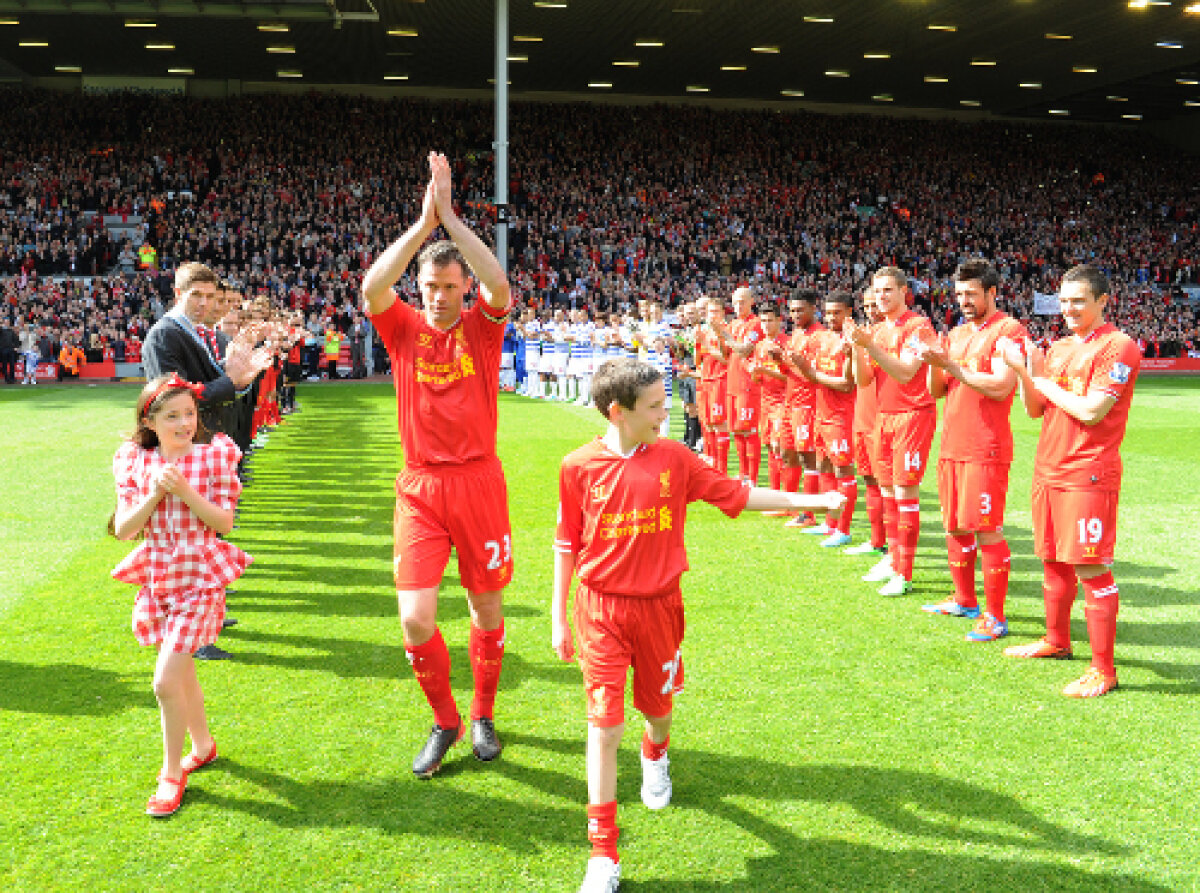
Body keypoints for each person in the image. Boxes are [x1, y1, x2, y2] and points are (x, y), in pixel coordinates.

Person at [551, 357, 845, 893]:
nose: (669, 412)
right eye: (657, 406)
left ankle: (656, 751)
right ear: (618, 413)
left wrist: (813, 498)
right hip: (600, 610)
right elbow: (567, 542)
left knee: (657, 710)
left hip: (660, 607)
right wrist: (557, 616)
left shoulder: (675, 458)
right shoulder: (577, 467)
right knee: (604, 724)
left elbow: (735, 493)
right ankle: (602, 854)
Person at [361, 151, 514, 777]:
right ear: (419, 289)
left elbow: (500, 286)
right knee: (416, 616)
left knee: (485, 608)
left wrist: (452, 217)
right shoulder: (400, 330)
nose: (444, 297)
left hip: (479, 480)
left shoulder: (482, 327)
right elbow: (372, 286)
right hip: (422, 487)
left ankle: (481, 714)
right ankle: (444, 717)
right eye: (432, 287)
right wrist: (424, 228)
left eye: (453, 287)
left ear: (463, 289)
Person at [109, 374, 251, 816]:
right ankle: (203, 746)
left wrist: (185, 492)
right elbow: (125, 529)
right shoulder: (134, 461)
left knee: (165, 680)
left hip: (199, 579)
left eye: (189, 413)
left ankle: (172, 774)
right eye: (172, 416)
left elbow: (224, 523)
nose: (185, 423)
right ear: (150, 421)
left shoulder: (213, 457)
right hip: (158, 577)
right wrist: (154, 493)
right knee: (182, 668)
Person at [999, 264, 1141, 697]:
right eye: (1063, 301)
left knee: (1091, 566)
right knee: (1053, 560)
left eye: (1079, 300)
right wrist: (1025, 372)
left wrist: (1038, 376)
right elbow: (1034, 409)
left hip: (1088, 471)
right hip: (1049, 469)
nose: (1069, 309)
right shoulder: (1058, 348)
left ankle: (1104, 670)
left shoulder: (1119, 346)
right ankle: (1056, 641)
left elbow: (1092, 410)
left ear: (1102, 301)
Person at [142, 264, 269, 659]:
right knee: (186, 546)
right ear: (178, 293)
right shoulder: (165, 334)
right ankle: (194, 638)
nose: (206, 303)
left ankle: (204, 623)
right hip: (181, 451)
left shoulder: (186, 332)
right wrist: (232, 383)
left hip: (197, 447)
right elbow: (175, 397)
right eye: (197, 295)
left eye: (211, 297)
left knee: (200, 543)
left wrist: (237, 377)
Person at [917, 260, 1027, 642]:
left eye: (971, 293)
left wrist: (948, 362)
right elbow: (936, 390)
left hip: (985, 445)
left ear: (992, 293)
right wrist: (933, 361)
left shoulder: (1008, 331)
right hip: (953, 444)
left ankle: (996, 616)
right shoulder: (957, 333)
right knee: (955, 524)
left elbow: (1000, 385)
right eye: (959, 293)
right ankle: (965, 600)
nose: (963, 300)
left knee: (986, 529)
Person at [845, 267, 938, 597]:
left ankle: (905, 572)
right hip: (882, 417)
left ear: (903, 292)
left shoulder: (918, 326)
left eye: (888, 290)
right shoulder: (879, 330)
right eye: (877, 291)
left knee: (904, 494)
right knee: (887, 495)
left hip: (912, 416)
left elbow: (903, 372)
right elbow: (863, 380)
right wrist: (858, 347)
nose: (882, 297)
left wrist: (869, 345)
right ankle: (894, 560)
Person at [791, 291, 859, 547]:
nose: (831, 318)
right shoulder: (824, 339)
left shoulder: (851, 341)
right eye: (828, 313)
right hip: (822, 413)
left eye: (837, 313)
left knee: (844, 471)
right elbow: (813, 375)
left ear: (849, 312)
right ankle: (830, 524)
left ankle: (844, 529)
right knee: (825, 468)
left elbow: (846, 385)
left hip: (842, 416)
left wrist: (811, 372)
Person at [722, 285, 765, 483]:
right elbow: (726, 354)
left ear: (751, 302)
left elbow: (744, 350)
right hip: (732, 382)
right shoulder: (733, 324)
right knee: (737, 430)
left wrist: (725, 336)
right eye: (735, 302)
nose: (738, 305)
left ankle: (753, 478)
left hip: (748, 383)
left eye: (742, 301)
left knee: (749, 430)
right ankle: (742, 473)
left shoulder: (756, 324)